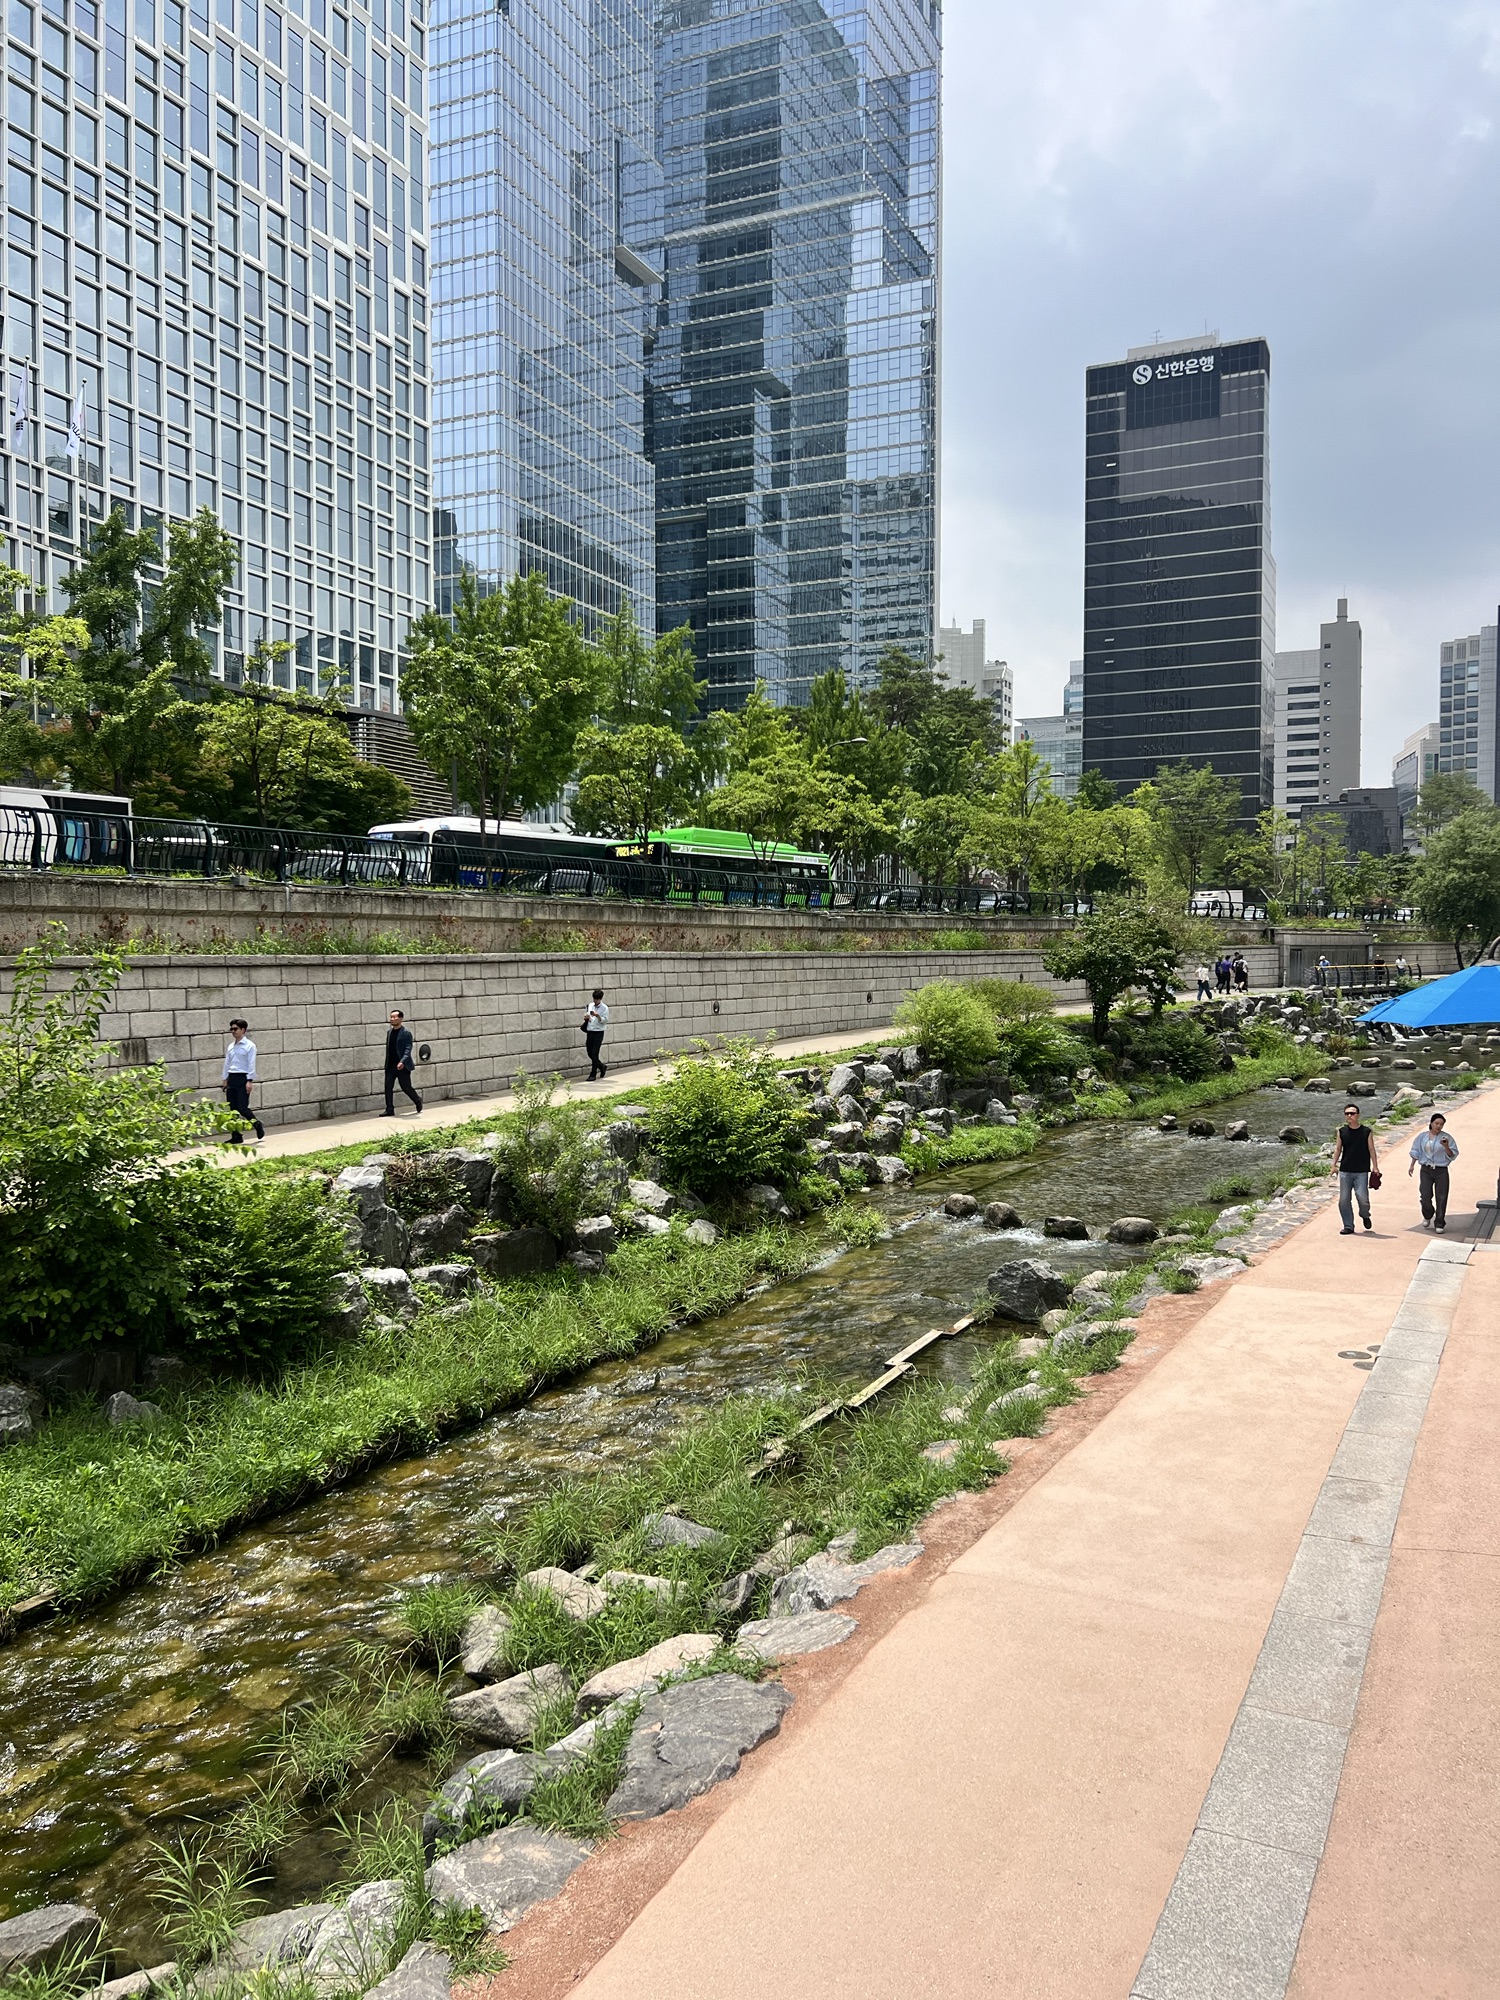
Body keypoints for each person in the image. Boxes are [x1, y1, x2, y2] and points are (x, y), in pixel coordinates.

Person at [1331, 1103, 1379, 1234]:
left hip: (1361, 1171)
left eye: (1352, 1113)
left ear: (1358, 1115)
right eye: (1347, 1113)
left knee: (1363, 1198)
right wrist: (1333, 1165)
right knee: (1344, 1200)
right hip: (1345, 1171)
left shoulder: (1366, 1131)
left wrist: (1375, 1167)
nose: (1349, 1116)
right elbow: (1338, 1149)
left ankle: (1365, 1215)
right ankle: (1348, 1226)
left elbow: (1371, 1149)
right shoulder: (1342, 1132)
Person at [1408, 1112, 1459, 1231]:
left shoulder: (1447, 1138)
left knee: (1441, 1197)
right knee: (1425, 1195)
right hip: (1426, 1169)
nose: (1438, 1126)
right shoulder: (1422, 1137)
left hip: (1441, 1170)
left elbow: (1452, 1154)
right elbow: (1415, 1151)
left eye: (1441, 1124)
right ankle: (1428, 1214)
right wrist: (1412, 1165)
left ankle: (1439, 1223)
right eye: (1436, 1123)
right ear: (1431, 1123)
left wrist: (1446, 1146)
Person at [221, 1017, 264, 1141]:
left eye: (235, 1029)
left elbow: (251, 1064)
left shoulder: (250, 1046)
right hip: (232, 1077)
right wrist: (225, 1079)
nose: (233, 1031)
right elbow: (227, 1063)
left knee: (242, 1107)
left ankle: (257, 1124)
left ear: (243, 1030)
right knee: (232, 1109)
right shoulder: (231, 1046)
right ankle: (236, 1136)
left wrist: (249, 1080)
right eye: (231, 1029)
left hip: (243, 1077)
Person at [382, 1008, 423, 1116]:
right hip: (390, 1065)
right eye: (391, 1017)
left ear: (401, 1019)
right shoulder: (389, 1032)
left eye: (395, 1017)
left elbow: (408, 1049)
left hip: (402, 1066)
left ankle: (417, 1100)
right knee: (388, 1087)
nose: (392, 1019)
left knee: (406, 1087)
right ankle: (389, 1109)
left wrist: (402, 1061)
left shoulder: (406, 1033)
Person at [582, 988, 609, 1081]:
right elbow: (587, 1015)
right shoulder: (590, 1005)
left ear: (600, 999)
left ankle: (593, 1073)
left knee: (595, 1053)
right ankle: (601, 1066)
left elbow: (605, 1021)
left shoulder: (604, 1008)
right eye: (594, 998)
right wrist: (587, 1017)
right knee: (589, 1052)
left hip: (598, 1032)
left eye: (597, 999)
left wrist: (598, 1016)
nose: (595, 1001)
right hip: (590, 1031)